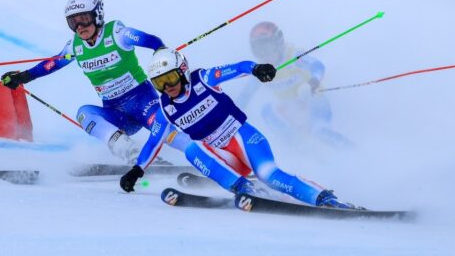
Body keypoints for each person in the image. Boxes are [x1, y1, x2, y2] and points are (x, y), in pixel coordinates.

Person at [119, 47, 358, 210]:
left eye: (169, 79)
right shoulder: (165, 107)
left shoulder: (203, 79)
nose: (166, 87)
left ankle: (325, 199)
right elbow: (154, 141)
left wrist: (256, 68)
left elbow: (238, 67)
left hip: (244, 138)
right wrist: (137, 170)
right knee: (191, 149)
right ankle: (244, 186)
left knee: (270, 175)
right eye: (159, 83)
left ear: (182, 71)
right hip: (222, 156)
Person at [0, 0, 191, 167]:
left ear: (97, 15)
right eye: (73, 22)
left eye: (84, 19)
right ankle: (131, 153)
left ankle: (204, 156)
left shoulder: (117, 33)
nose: (80, 27)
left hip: (143, 101)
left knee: (164, 132)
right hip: (117, 113)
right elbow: (52, 64)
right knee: (84, 114)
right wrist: (24, 76)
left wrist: (161, 52)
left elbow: (151, 41)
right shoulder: (75, 46)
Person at [240, 21, 350, 148]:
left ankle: (327, 133)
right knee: (267, 111)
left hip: (314, 102)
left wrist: (314, 80)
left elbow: (317, 66)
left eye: (268, 47)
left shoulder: (293, 55)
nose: (265, 53)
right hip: (292, 110)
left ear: (278, 42)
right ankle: (297, 144)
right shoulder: (260, 70)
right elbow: (245, 96)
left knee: (308, 101)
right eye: (259, 49)